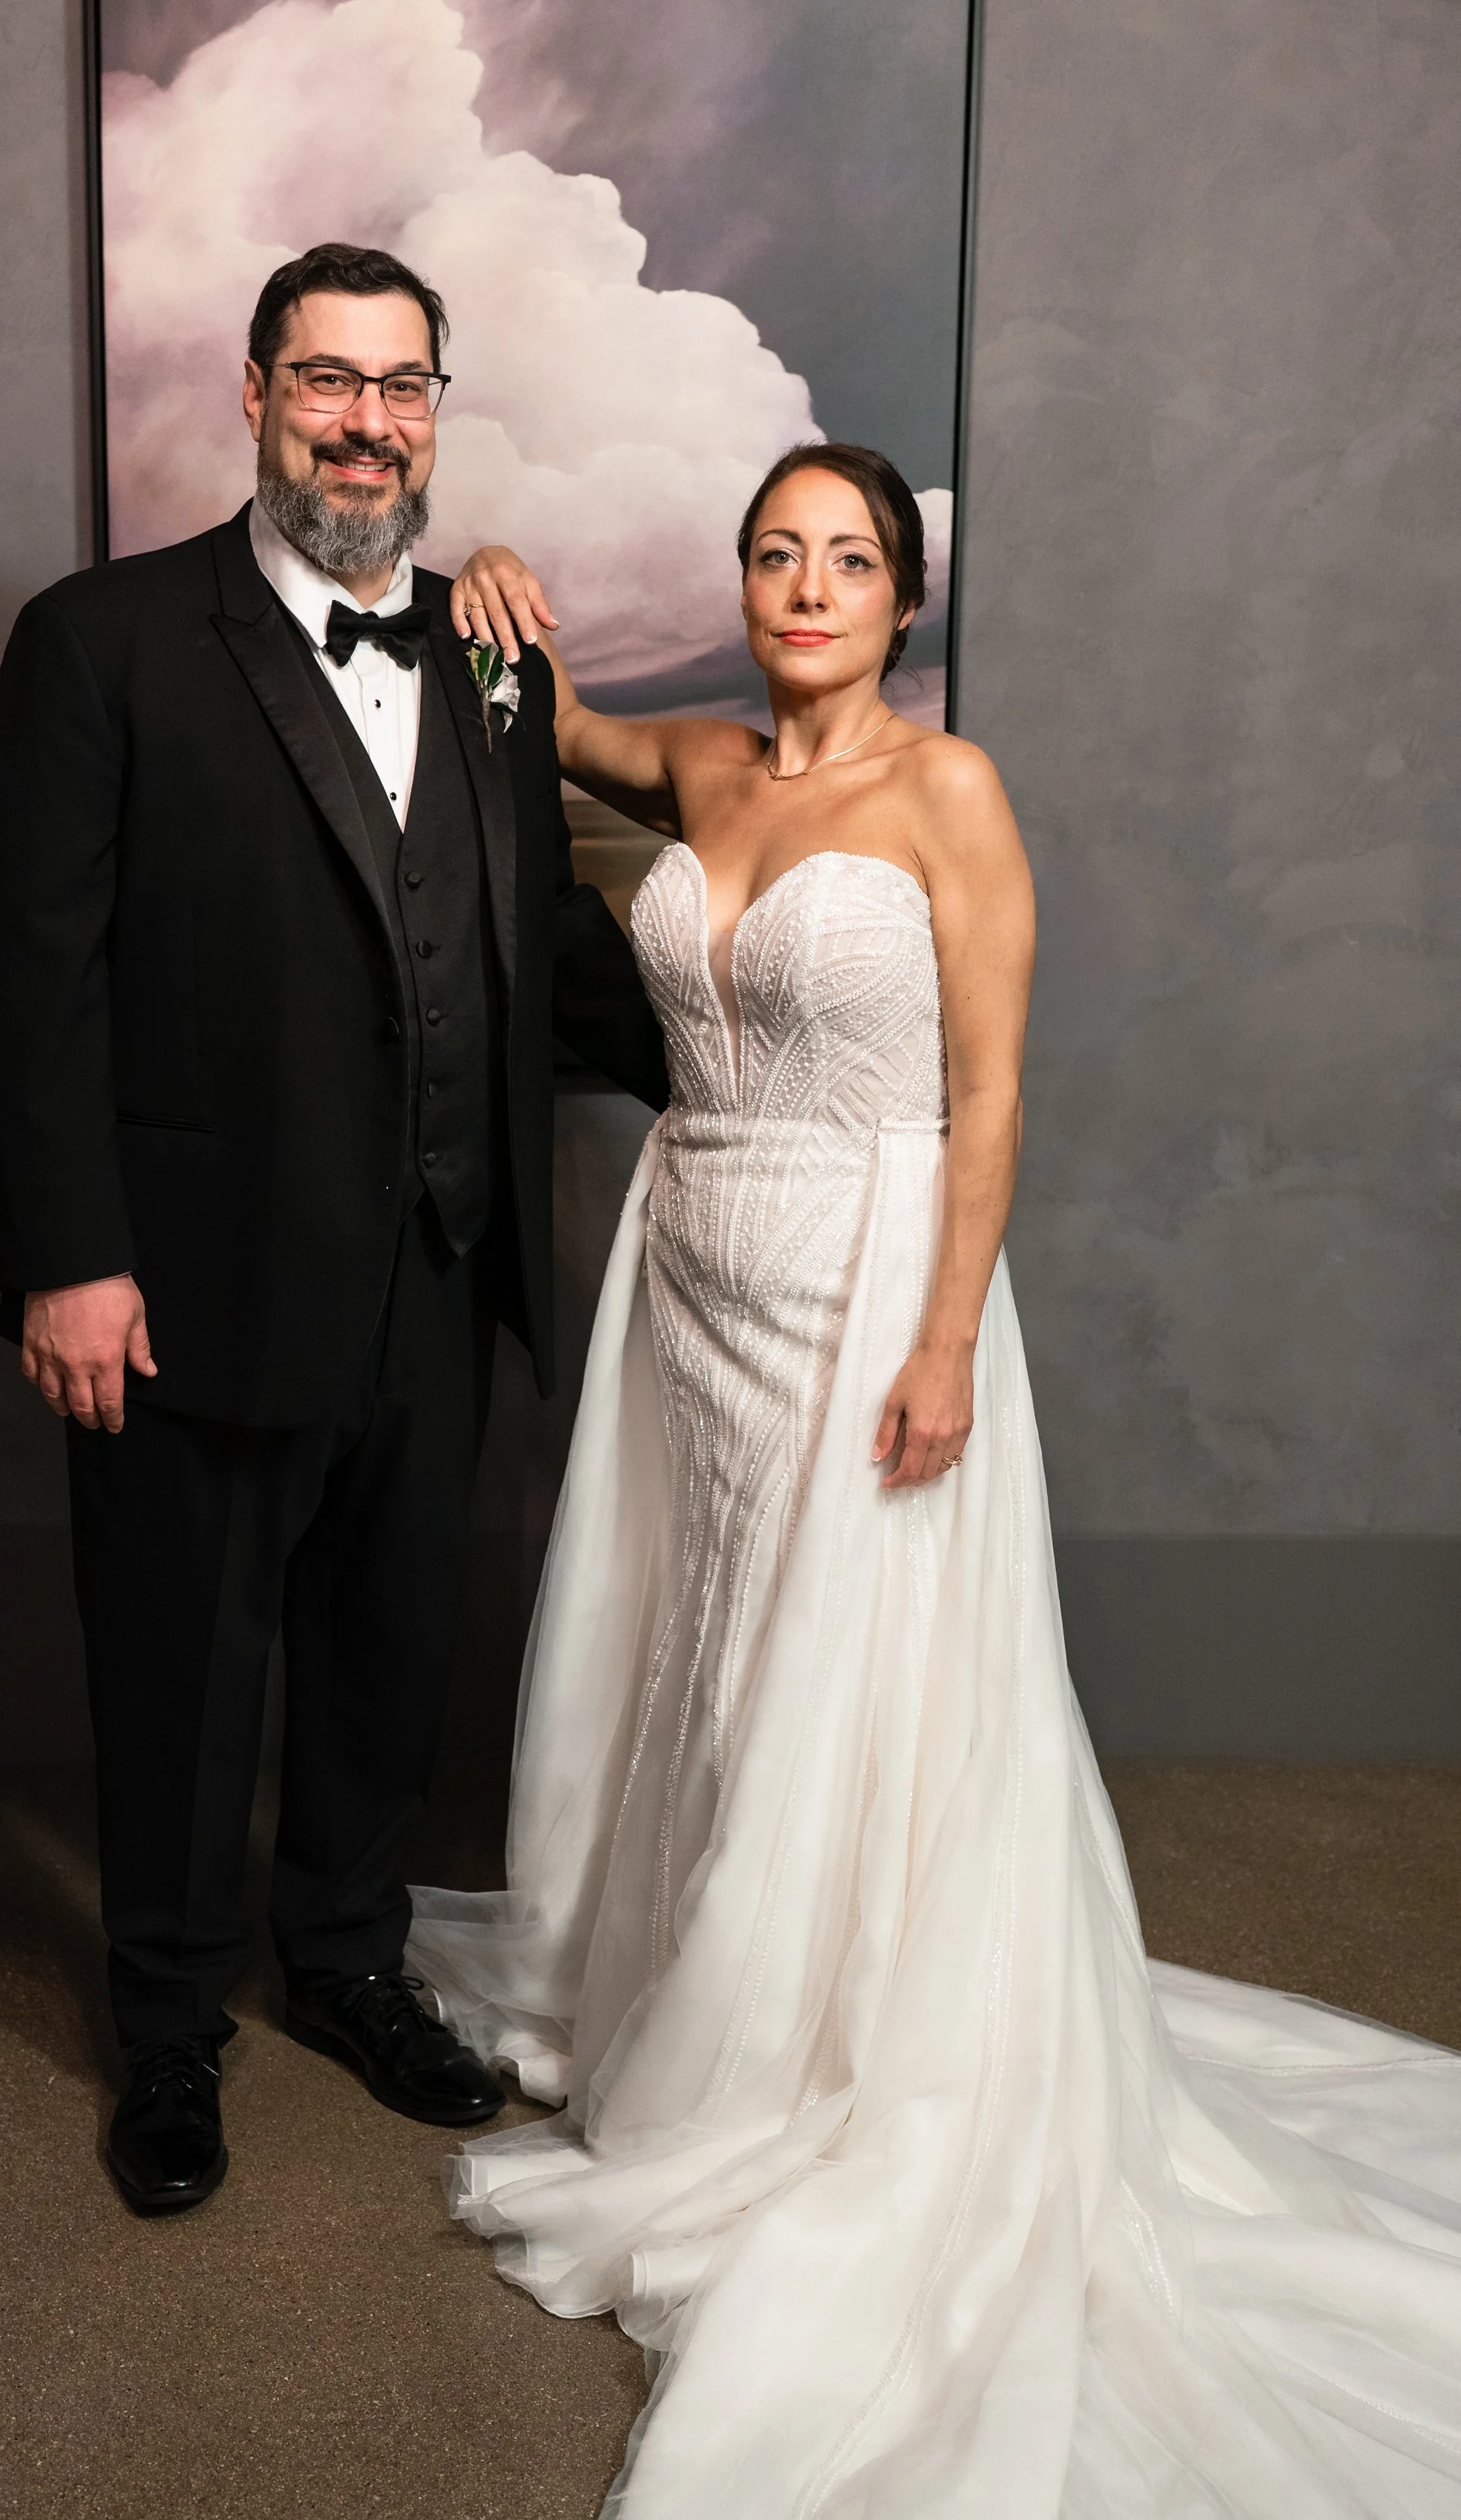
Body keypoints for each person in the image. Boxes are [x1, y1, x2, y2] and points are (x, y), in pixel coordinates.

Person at [412, 444, 1461, 2515]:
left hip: (872, 1294)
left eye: (850, 557)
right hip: (689, 1285)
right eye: (777, 551)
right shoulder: (698, 764)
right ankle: (693, 1982)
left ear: (903, 597)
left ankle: (831, 2056)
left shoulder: (946, 794)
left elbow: (988, 1093)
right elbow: (513, 716)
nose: (808, 582)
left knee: (855, 1674)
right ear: (746, 582)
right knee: (699, 1644)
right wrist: (491, 582)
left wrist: (942, 1342)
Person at [0, 241, 667, 2216]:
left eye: (403, 383)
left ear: (439, 407)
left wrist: (755, 1028)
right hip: (178, 1281)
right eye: (328, 379)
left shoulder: (487, 652)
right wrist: (66, 1257)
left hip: (436, 1273)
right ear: (254, 392)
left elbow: (522, 940)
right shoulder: (96, 641)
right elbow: (29, 979)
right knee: (182, 1674)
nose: (366, 418)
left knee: (381, 1654)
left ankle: (346, 1961)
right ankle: (170, 2023)